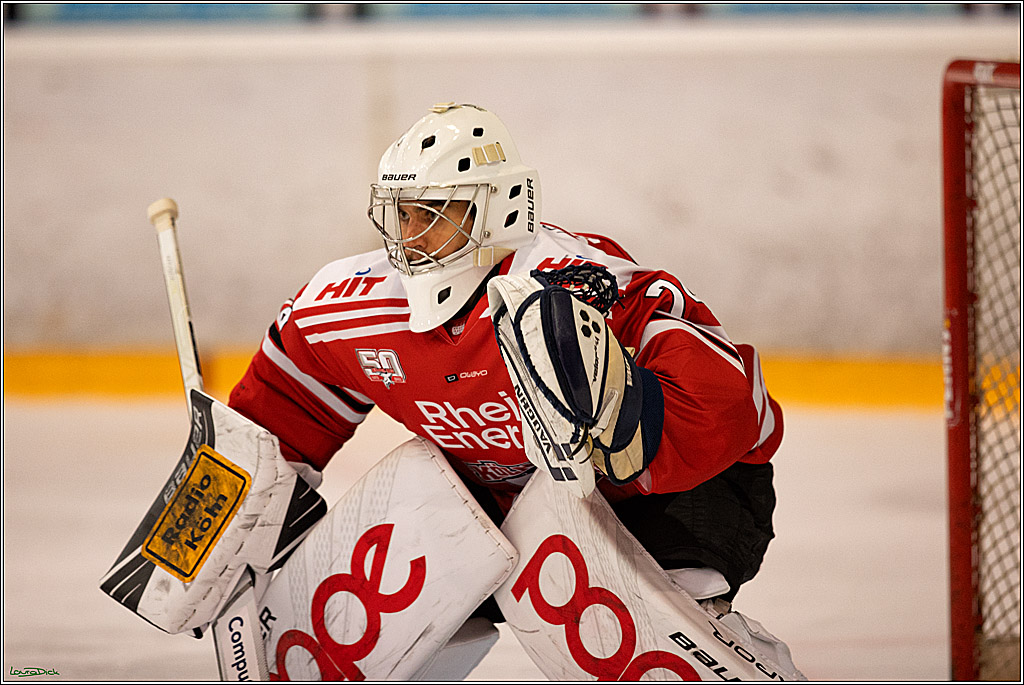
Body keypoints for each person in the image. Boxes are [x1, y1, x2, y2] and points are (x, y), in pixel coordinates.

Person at [228, 102, 797, 672]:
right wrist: (224, 515)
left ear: (499, 208)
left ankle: (719, 641)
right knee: (383, 594)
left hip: (665, 496)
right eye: (401, 213)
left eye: (435, 212)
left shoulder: (582, 287)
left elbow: (730, 406)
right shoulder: (347, 309)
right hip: (502, 505)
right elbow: (281, 406)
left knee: (647, 616)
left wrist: (628, 421)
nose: (411, 235)